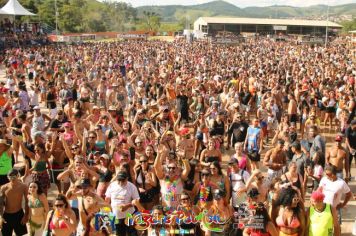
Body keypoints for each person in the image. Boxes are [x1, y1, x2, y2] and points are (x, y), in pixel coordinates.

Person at [105, 171, 144, 236]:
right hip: (116, 217)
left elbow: (137, 200)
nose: (120, 182)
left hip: (129, 216)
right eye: (119, 180)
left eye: (122, 180)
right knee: (119, 234)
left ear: (127, 179)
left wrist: (128, 206)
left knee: (132, 234)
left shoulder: (132, 187)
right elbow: (107, 199)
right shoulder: (112, 185)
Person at [154, 145, 190, 209]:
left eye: (173, 168)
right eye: (169, 168)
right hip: (166, 210)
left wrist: (184, 158)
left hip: (179, 211)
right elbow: (156, 167)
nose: (171, 170)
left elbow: (187, 169)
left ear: (177, 169)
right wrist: (158, 154)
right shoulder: (162, 178)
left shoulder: (180, 178)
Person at [0, 169, 29, 236]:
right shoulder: (4, 187)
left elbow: (27, 202)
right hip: (7, 215)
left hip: (19, 214)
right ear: (7, 177)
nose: (12, 179)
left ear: (17, 176)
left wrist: (25, 215)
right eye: (10, 177)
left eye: (14, 177)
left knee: (20, 234)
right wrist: (1, 216)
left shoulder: (23, 187)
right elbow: (0, 203)